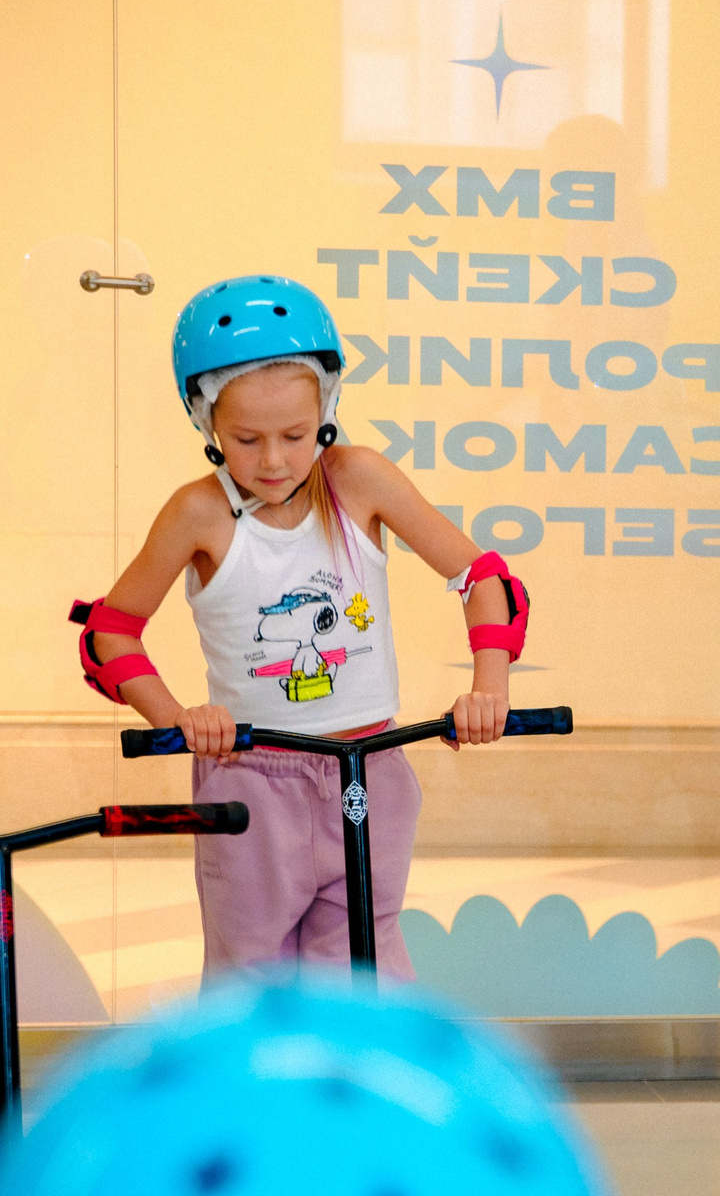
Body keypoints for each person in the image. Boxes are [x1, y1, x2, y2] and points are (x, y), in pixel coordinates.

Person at [73, 276, 528, 981]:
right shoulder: (198, 513)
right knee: (248, 974)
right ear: (206, 422)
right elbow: (110, 632)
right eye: (247, 439)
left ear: (328, 407)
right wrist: (177, 717)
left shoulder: (361, 480)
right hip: (251, 781)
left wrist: (487, 689)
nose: (276, 461)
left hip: (370, 769)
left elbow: (484, 578)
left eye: (295, 434)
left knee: (365, 973)